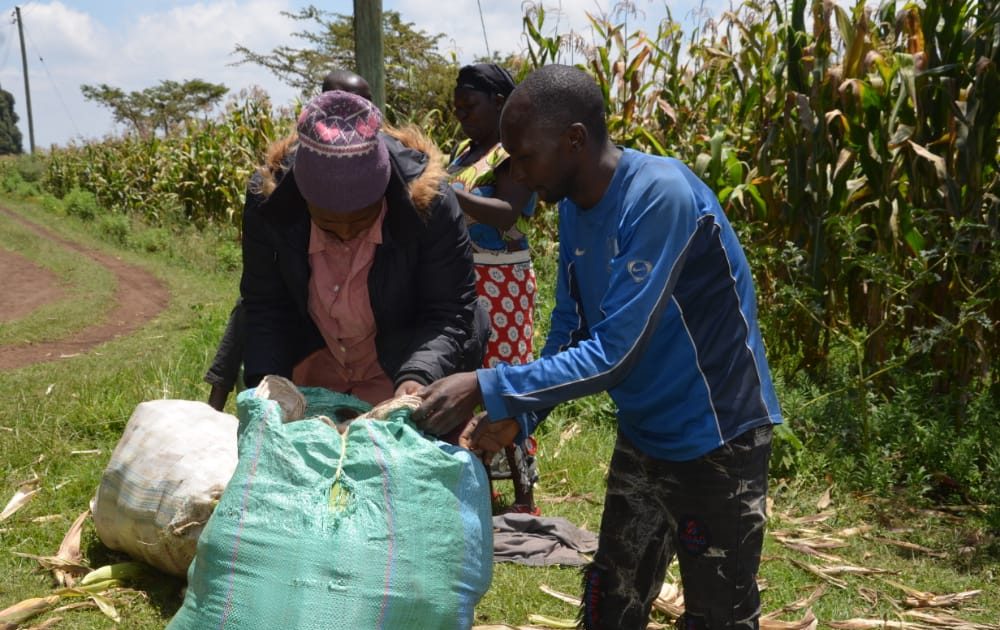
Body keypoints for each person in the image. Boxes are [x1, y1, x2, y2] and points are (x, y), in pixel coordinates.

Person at [415, 64, 783, 630]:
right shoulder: (573, 206)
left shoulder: (660, 195)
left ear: (574, 139)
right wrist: (521, 415)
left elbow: (615, 353)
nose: (517, 173)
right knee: (611, 599)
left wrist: (485, 384)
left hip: (717, 435)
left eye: (525, 156)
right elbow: (571, 329)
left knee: (719, 615)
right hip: (645, 432)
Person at [237, 89, 481, 405]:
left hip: (398, 367)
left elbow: (449, 311)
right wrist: (268, 383)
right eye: (327, 222)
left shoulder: (430, 204)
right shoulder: (269, 204)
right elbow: (266, 305)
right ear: (303, 199)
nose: (345, 232)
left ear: (383, 193)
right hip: (311, 367)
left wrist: (418, 375)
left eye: (362, 219)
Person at [204, 70, 373, 410]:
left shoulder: (385, 177)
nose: (346, 117)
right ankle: (215, 403)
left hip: (368, 352)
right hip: (303, 327)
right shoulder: (275, 181)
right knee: (249, 310)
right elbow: (264, 297)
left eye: (359, 105)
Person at [447, 63, 539, 513]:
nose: (461, 114)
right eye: (457, 107)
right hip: (465, 277)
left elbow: (506, 212)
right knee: (467, 376)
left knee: (504, 379)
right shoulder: (465, 151)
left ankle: (524, 495)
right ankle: (481, 485)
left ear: (499, 102)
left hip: (502, 281)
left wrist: (446, 193)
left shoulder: (512, 151)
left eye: (470, 105)